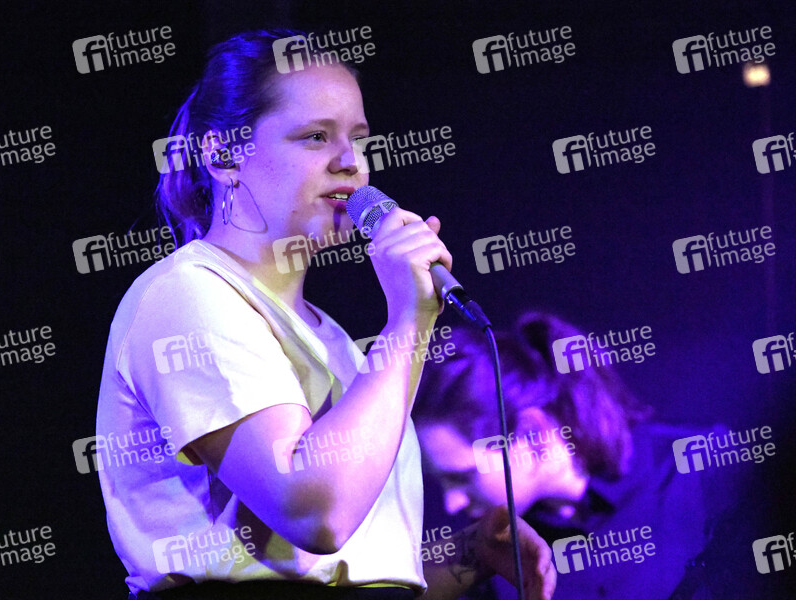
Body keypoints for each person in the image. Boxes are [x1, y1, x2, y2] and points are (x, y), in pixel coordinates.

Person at [96, 29, 555, 600]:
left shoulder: (331, 338)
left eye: (358, 139)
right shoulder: (187, 294)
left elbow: (345, 574)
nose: (350, 163)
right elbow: (317, 514)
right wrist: (409, 321)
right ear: (223, 155)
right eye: (316, 137)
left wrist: (470, 556)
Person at [413, 313, 724, 599]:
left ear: (530, 433)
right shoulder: (501, 555)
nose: (451, 503)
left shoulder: (701, 468)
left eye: (463, 477)